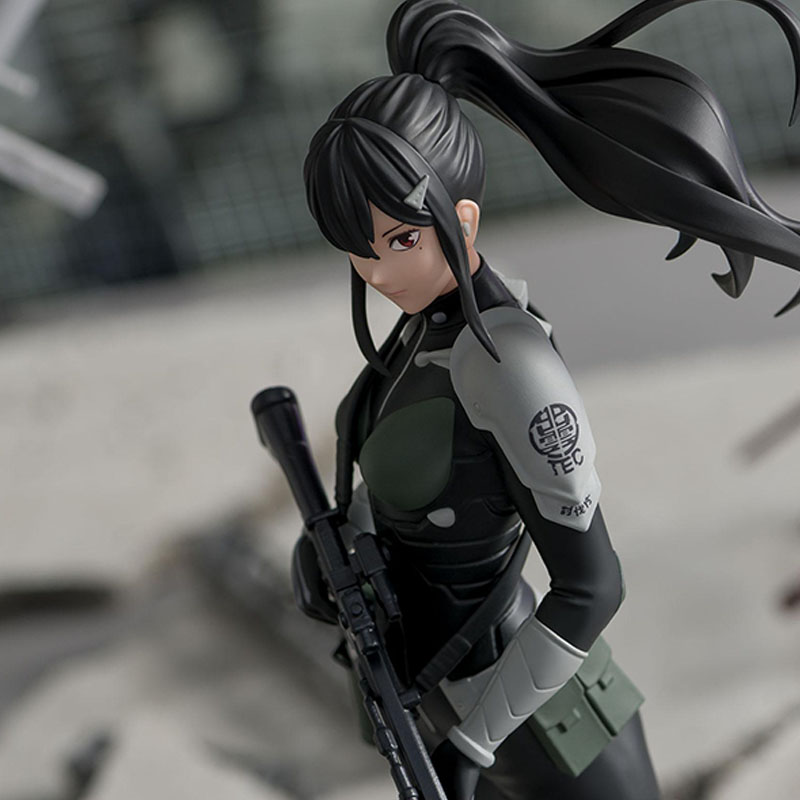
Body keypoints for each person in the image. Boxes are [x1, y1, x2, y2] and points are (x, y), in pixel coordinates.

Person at [296, 1, 800, 798]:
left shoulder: (508, 365)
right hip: (433, 697)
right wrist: (336, 544)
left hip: (542, 721)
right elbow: (413, 489)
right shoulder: (418, 335)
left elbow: (593, 586)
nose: (378, 274)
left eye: (400, 240)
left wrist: (476, 740)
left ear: (461, 219)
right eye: (359, 249)